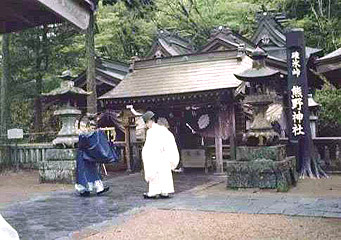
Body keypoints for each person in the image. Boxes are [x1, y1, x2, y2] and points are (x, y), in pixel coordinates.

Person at [75, 115, 118, 197]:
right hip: (83, 157)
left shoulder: (94, 135)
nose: (92, 129)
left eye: (94, 128)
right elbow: (82, 145)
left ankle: (99, 188)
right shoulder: (83, 135)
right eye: (91, 128)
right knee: (84, 174)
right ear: (87, 127)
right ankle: (85, 189)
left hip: (90, 156)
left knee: (94, 172)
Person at [141, 111, 180, 199]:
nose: (147, 125)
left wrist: (147, 154)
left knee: (155, 174)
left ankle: (154, 192)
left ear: (150, 121)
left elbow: (149, 147)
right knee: (164, 173)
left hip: (155, 156)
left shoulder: (151, 132)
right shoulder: (163, 129)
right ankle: (165, 192)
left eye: (146, 123)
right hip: (164, 156)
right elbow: (170, 141)